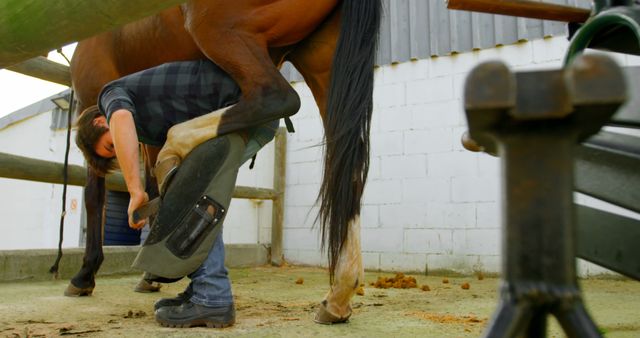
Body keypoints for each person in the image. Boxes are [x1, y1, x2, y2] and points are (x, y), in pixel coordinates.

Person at [75, 59, 280, 328]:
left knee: (195, 194)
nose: (120, 148)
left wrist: (135, 190)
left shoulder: (110, 95)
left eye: (111, 145)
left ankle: (213, 296)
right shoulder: (152, 118)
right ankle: (203, 287)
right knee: (197, 193)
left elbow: (121, 119)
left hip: (242, 104)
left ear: (102, 120)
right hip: (243, 114)